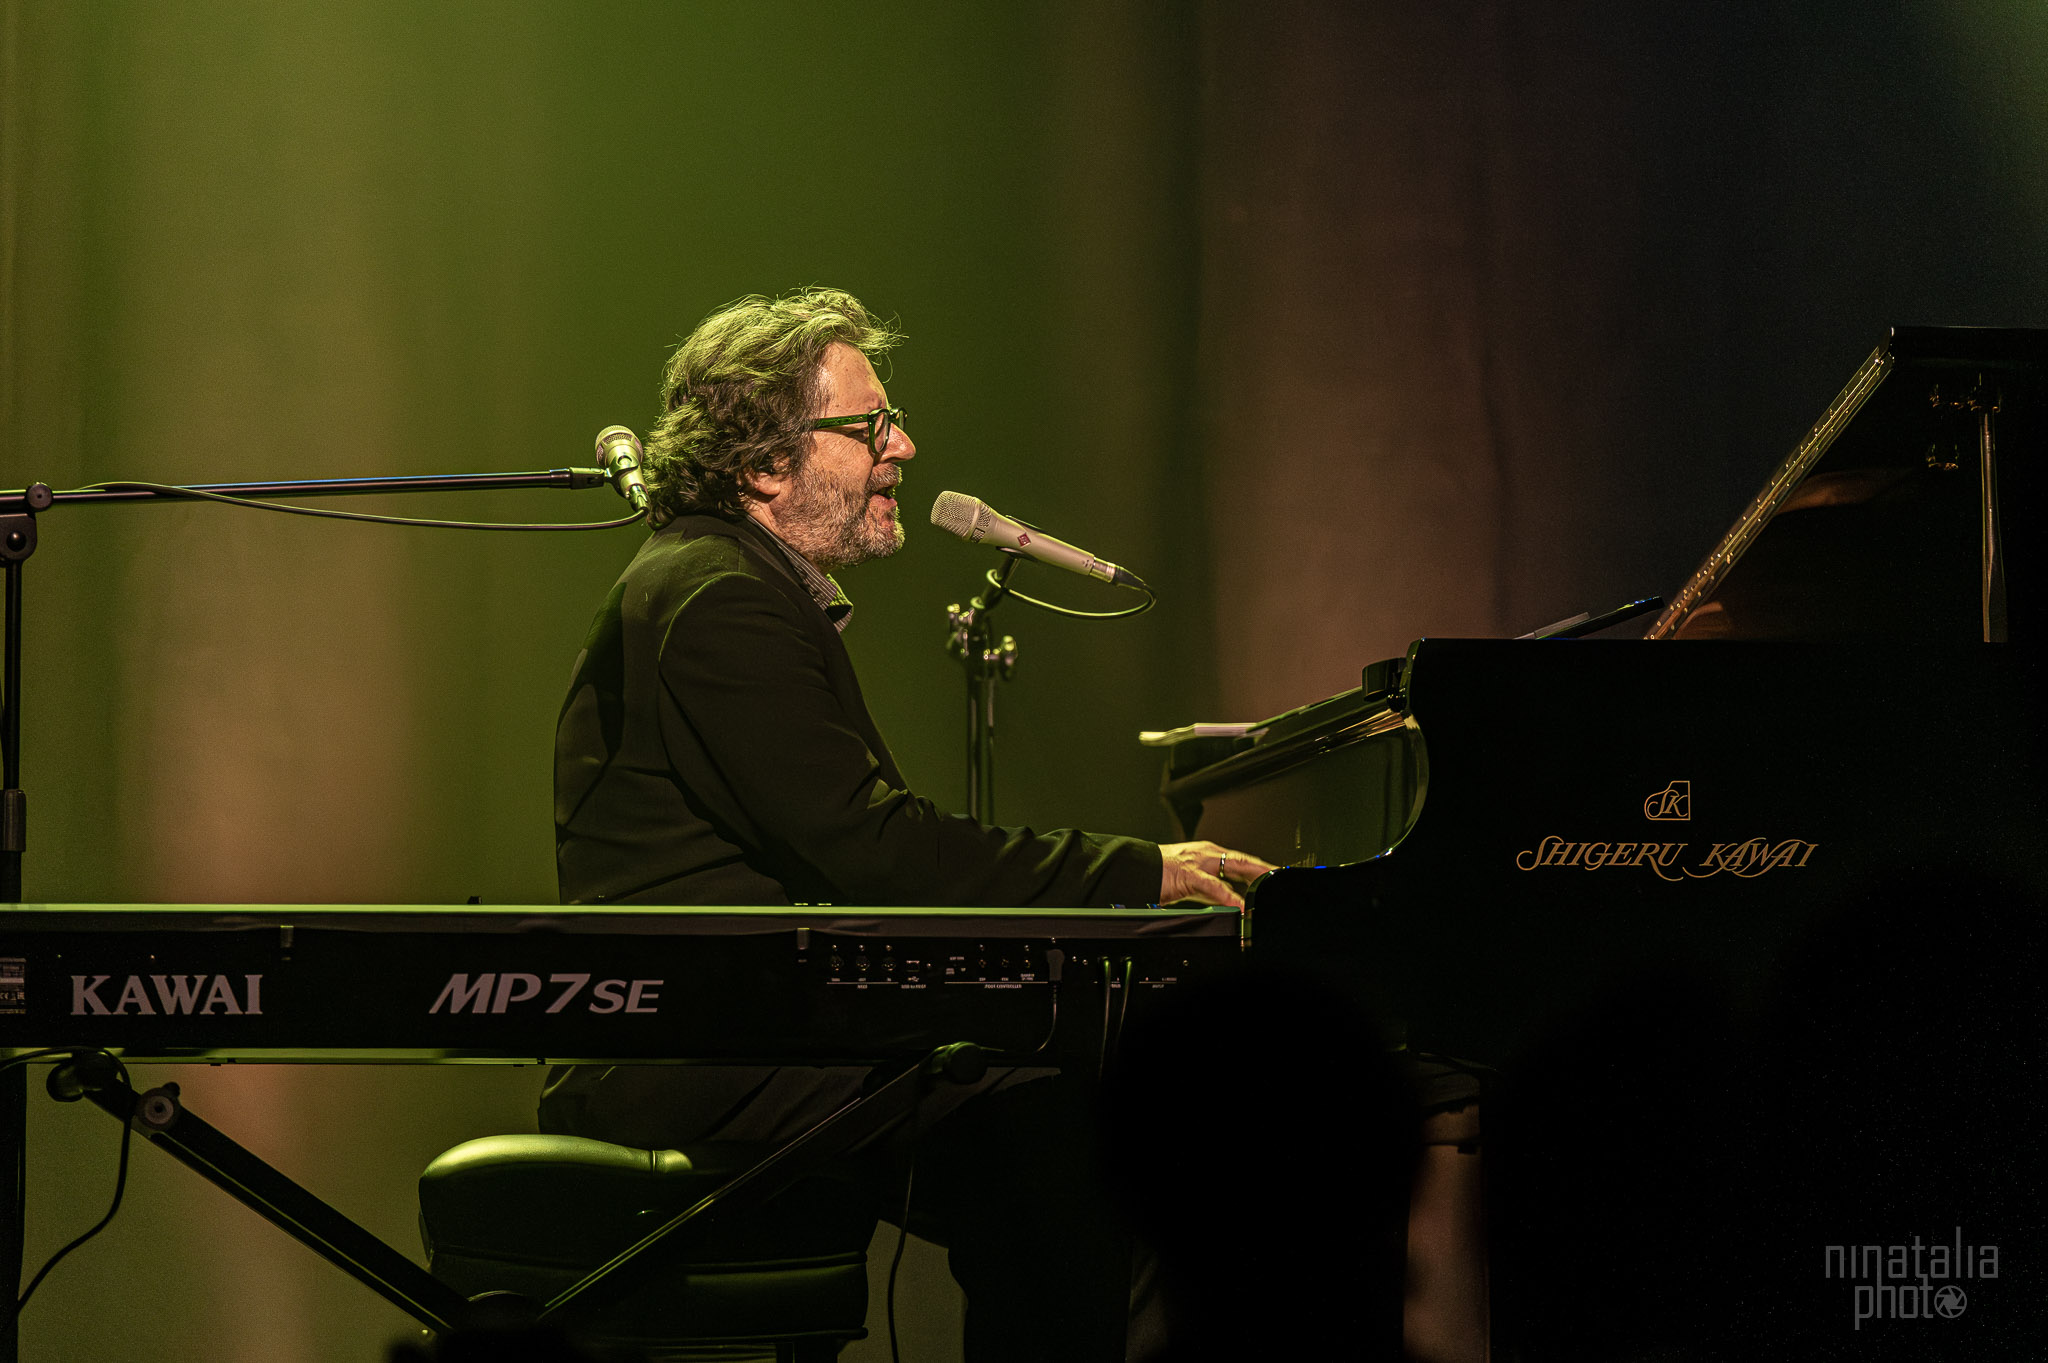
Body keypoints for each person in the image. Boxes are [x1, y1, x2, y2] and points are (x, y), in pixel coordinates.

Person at [542, 287, 1272, 1361]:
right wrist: (1135, 875)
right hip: (704, 1052)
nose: (904, 445)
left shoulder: (722, 581)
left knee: (1068, 1126)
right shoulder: (718, 596)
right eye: (872, 423)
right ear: (766, 463)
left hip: (762, 1026)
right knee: (1065, 1134)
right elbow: (873, 849)